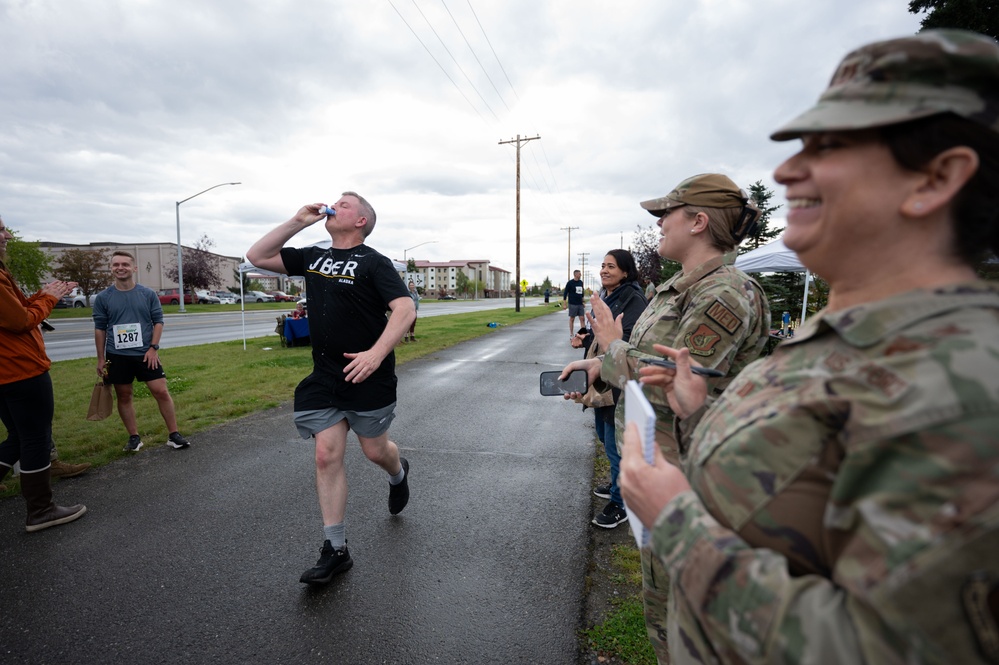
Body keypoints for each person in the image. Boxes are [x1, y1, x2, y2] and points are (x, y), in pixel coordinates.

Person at [620, 30, 999, 665]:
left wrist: (677, 523)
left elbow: (886, 649)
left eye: (830, 146)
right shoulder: (857, 332)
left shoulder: (964, 390)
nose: (788, 171)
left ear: (937, 178)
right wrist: (701, 409)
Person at [564, 173, 770, 663]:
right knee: (664, 607)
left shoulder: (724, 294)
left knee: (685, 616)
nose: (658, 224)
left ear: (698, 222)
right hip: (660, 459)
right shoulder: (676, 289)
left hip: (692, 474)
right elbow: (645, 361)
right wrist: (598, 364)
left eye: (666, 215)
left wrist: (611, 346)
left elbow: (675, 377)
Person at [246, 191, 416, 585]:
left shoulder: (375, 262)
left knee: (375, 450)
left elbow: (405, 309)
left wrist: (375, 354)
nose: (332, 205)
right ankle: (336, 550)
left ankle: (397, 472)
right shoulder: (311, 256)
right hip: (323, 377)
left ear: (360, 221)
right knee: (326, 455)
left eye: (343, 203)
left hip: (367, 374)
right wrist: (296, 222)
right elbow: (257, 256)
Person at [0, 215, 87, 531]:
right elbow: (22, 321)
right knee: (35, 439)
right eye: (0, 229)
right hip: (20, 371)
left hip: (7, 372)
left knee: (18, 436)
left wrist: (44, 293)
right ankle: (41, 510)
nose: (7, 235)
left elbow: (17, 310)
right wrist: (49, 297)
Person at [564, 250, 646, 528]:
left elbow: (629, 337)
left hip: (619, 380)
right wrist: (585, 335)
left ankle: (621, 502)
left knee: (615, 444)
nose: (604, 270)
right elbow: (603, 333)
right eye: (602, 266)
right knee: (602, 433)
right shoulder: (607, 295)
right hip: (603, 378)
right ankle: (615, 482)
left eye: (611, 266)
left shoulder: (633, 299)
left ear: (625, 272)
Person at [92, 251, 191, 452]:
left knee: (161, 391)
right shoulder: (103, 298)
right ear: (111, 268)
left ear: (134, 268)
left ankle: (174, 434)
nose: (120, 268)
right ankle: (134, 437)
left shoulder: (147, 294)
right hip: (117, 356)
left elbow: (158, 321)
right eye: (116, 265)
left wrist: (154, 348)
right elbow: (100, 328)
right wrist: (101, 358)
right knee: (124, 396)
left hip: (146, 353)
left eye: (125, 264)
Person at [562, 269, 585, 340]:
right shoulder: (570, 283)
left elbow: (582, 293)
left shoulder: (581, 282)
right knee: (572, 318)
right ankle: (571, 334)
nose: (580, 275)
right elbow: (565, 293)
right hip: (572, 304)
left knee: (582, 318)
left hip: (580, 304)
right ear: (575, 274)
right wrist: (564, 304)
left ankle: (583, 334)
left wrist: (583, 301)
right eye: (579, 274)